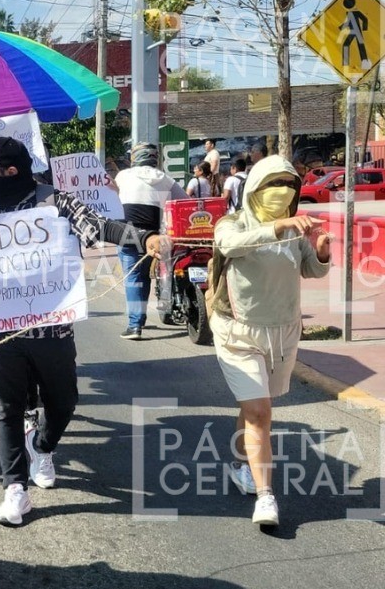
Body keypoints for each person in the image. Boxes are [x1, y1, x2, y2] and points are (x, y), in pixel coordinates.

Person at [0, 137, 161, 526]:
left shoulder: (56, 203)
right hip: (2, 336)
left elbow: (101, 226)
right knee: (7, 409)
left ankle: (43, 445)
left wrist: (144, 238)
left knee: (64, 402)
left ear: (11, 171)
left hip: (53, 331)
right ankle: (15, 490)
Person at [211, 155, 330, 527]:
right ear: (254, 189)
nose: (282, 193)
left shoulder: (296, 229)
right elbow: (231, 245)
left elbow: (311, 267)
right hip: (238, 332)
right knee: (262, 413)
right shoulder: (231, 223)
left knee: (254, 407)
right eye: (272, 185)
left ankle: (240, 463)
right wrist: (277, 227)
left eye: (290, 186)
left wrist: (322, 249)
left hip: (282, 332)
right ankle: (266, 497)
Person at [114, 143, 187, 340]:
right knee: (144, 275)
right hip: (153, 238)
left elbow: (110, 194)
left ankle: (134, 325)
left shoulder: (123, 176)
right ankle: (141, 317)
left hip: (127, 235)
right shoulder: (165, 179)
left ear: (135, 157)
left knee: (133, 278)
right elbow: (185, 200)